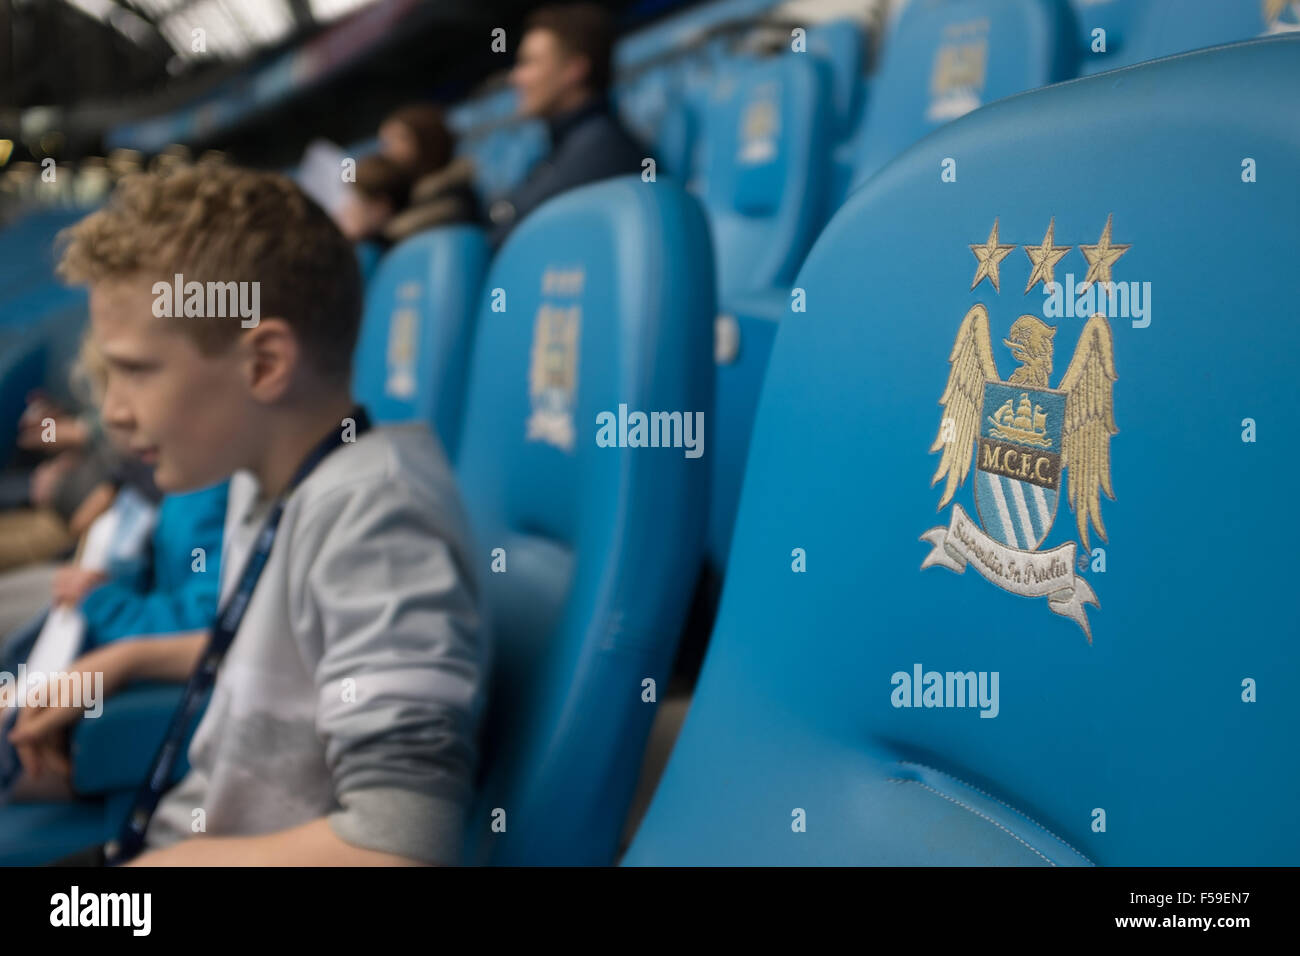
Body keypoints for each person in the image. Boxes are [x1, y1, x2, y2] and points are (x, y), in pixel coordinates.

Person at [10, 164, 490, 866]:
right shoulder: (272, 478)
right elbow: (289, 646)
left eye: (136, 370)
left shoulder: (373, 521)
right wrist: (125, 657)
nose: (110, 411)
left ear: (264, 363)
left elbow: (403, 843)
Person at [489, 3, 648, 246]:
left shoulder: (602, 149)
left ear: (574, 70)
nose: (515, 78)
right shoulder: (568, 146)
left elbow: (509, 236)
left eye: (529, 63)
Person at [377, 104, 483, 239]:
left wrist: (380, 231)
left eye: (396, 140)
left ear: (426, 140)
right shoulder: (400, 192)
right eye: (385, 143)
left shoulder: (454, 190)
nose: (387, 151)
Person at [336, 153, 413, 248]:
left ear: (380, 209)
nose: (348, 208)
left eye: (358, 201)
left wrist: (346, 238)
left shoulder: (395, 245)